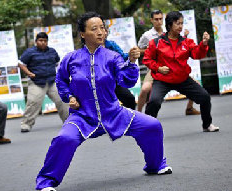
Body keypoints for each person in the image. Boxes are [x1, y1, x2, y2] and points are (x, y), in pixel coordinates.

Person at [35, 12, 172, 191]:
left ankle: (155, 165)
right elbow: (61, 80)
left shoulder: (112, 57)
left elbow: (127, 81)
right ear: (83, 34)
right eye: (94, 29)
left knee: (152, 126)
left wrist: (131, 62)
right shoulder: (71, 59)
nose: (100, 32)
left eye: (102, 28)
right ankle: (46, 182)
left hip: (114, 113)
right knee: (64, 138)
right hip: (82, 117)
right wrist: (69, 96)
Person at [143, 11, 219, 132]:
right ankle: (146, 128)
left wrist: (204, 44)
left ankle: (207, 125)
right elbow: (147, 59)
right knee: (154, 102)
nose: (180, 26)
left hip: (182, 79)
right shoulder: (156, 42)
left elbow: (197, 54)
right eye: (177, 23)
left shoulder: (186, 42)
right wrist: (158, 68)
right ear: (169, 25)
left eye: (182, 23)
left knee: (204, 97)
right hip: (162, 80)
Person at [137, 10, 200, 115]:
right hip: (156, 67)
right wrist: (150, 50)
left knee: (197, 84)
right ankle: (138, 114)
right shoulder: (147, 35)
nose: (159, 21)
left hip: (173, 68)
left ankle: (189, 108)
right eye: (156, 19)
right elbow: (139, 50)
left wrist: (185, 37)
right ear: (151, 20)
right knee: (145, 89)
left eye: (160, 19)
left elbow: (180, 46)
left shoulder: (170, 31)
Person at [18, 32, 69, 133]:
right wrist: (29, 73)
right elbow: (21, 63)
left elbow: (58, 63)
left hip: (52, 81)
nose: (43, 43)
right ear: (36, 41)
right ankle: (26, 124)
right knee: (33, 103)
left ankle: (68, 122)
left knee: (63, 100)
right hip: (37, 82)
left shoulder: (52, 51)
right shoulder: (30, 52)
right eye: (41, 41)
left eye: (45, 41)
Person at [104, 26, 136, 109]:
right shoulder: (89, 49)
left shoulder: (111, 45)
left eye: (104, 29)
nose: (102, 33)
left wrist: (130, 54)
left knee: (130, 99)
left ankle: (129, 120)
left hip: (115, 81)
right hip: (98, 84)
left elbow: (123, 57)